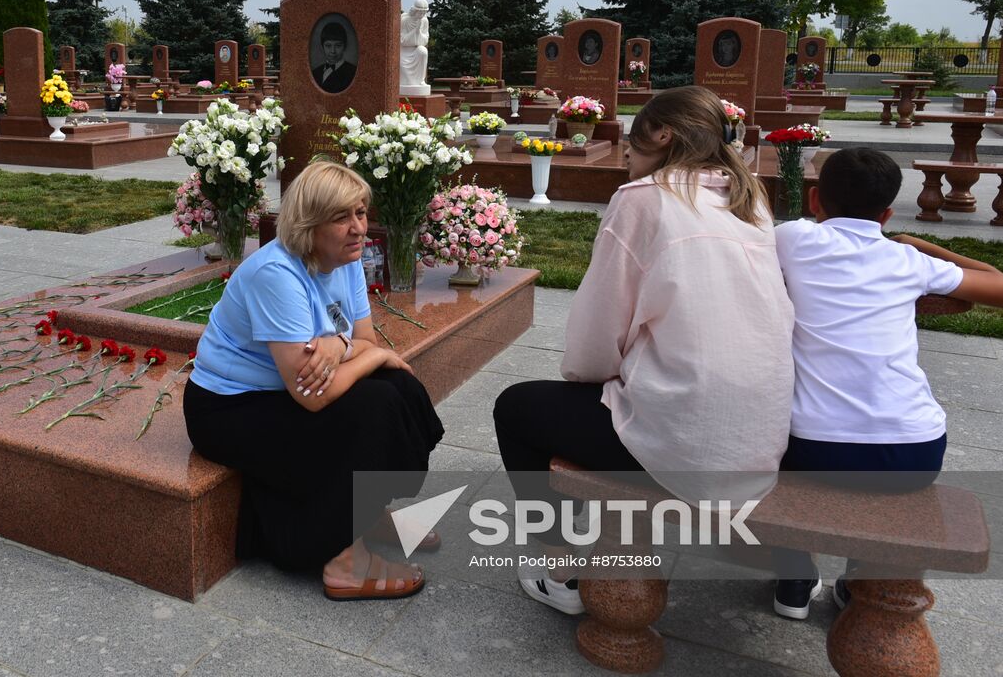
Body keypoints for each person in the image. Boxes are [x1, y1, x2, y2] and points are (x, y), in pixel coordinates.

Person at [493, 85, 795, 615]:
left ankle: (559, 568)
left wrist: (594, 379)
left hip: (688, 440)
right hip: (760, 438)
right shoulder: (750, 200)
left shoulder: (643, 199)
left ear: (662, 134)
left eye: (635, 135)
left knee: (517, 409)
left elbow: (594, 337)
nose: (627, 148)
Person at [183, 161, 444, 600]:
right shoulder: (277, 274)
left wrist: (344, 347)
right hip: (229, 408)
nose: (359, 227)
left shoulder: (343, 260)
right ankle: (345, 559)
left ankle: (367, 510)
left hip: (281, 393)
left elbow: (360, 338)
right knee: (373, 404)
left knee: (398, 388)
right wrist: (373, 353)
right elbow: (312, 396)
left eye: (361, 213)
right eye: (342, 217)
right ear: (309, 224)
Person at [769, 147, 1003, 618]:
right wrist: (921, 245)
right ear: (888, 212)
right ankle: (858, 585)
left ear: (815, 200)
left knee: (763, 450)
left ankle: (793, 577)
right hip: (914, 451)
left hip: (816, 447)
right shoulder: (907, 262)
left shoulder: (792, 239)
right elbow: (995, 283)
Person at [313, 22, 357, 92]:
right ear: (322, 47)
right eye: (328, 46)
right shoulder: (315, 72)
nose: (333, 51)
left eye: (338, 46)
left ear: (344, 46)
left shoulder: (353, 73)